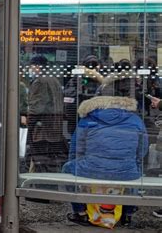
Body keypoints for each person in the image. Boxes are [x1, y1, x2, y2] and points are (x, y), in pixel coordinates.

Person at [63, 75, 148, 227]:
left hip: (91, 169)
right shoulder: (135, 120)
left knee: (67, 168)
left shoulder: (88, 118)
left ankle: (80, 212)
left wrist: (81, 162)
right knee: (135, 171)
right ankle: (127, 215)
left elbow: (76, 149)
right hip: (125, 171)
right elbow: (142, 150)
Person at [26, 55, 66, 173]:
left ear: (38, 67)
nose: (31, 69)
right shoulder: (55, 80)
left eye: (32, 66)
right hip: (54, 129)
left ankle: (42, 186)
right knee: (51, 163)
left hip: (42, 130)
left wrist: (30, 124)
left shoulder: (39, 82)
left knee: (41, 162)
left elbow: (36, 107)